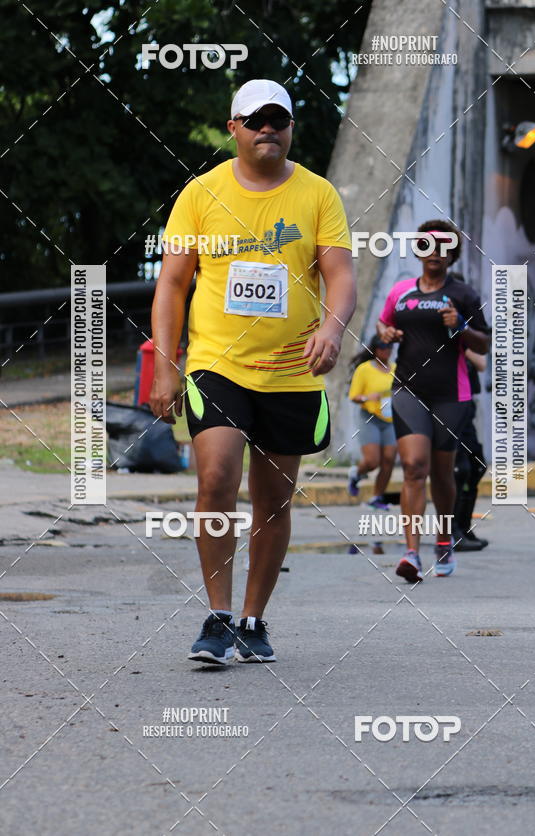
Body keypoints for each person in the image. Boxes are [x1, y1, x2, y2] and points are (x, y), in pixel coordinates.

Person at [150, 79, 355, 664]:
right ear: (233, 127)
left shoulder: (318, 195)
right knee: (215, 479)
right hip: (218, 363)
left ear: (291, 128)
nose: (269, 127)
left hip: (290, 370)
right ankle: (216, 615)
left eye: (279, 119)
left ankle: (252, 620)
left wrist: (333, 328)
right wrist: (166, 366)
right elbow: (171, 283)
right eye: (255, 118)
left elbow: (340, 274)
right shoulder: (200, 193)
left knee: (273, 501)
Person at [376, 220, 490, 581]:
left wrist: (460, 326)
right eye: (427, 246)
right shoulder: (401, 291)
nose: (435, 253)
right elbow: (383, 324)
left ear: (452, 254)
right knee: (413, 467)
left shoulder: (465, 295)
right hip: (408, 389)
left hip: (451, 395)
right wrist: (389, 333)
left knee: (442, 473)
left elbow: (484, 344)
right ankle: (411, 552)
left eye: (443, 247)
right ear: (419, 251)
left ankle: (443, 540)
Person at [347, 336, 397, 516]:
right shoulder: (364, 369)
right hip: (369, 417)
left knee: (389, 459)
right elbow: (353, 396)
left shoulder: (396, 369)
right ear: (375, 349)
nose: (387, 349)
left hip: (390, 419)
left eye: (390, 345)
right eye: (383, 346)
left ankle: (377, 497)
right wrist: (368, 397)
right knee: (372, 461)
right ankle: (356, 474)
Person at [453, 348, 489, 551]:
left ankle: (464, 527)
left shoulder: (465, 333)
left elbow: (481, 363)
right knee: (459, 470)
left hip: (467, 406)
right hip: (450, 406)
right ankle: (452, 531)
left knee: (477, 467)